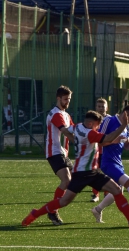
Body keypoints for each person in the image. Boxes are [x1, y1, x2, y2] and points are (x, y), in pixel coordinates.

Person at [22, 110, 129, 228]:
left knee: (116, 190)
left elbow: (68, 130)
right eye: (97, 126)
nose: (98, 129)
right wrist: (124, 125)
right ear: (91, 124)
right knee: (64, 201)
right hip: (82, 174)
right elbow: (107, 138)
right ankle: (36, 213)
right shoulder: (90, 133)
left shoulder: (78, 127)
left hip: (92, 171)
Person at [45, 85, 75, 225]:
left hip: (64, 153)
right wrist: (80, 140)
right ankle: (53, 211)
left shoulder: (67, 115)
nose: (67, 102)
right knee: (66, 180)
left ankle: (53, 208)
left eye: (69, 99)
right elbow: (65, 131)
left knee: (75, 180)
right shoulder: (55, 114)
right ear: (58, 98)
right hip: (54, 152)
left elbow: (75, 129)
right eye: (65, 99)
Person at [90, 98, 110, 202]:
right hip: (95, 150)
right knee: (95, 172)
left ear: (107, 107)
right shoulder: (92, 120)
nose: (101, 108)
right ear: (96, 107)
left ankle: (106, 194)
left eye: (103, 106)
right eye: (99, 106)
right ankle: (95, 194)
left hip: (107, 150)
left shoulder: (110, 120)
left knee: (106, 173)